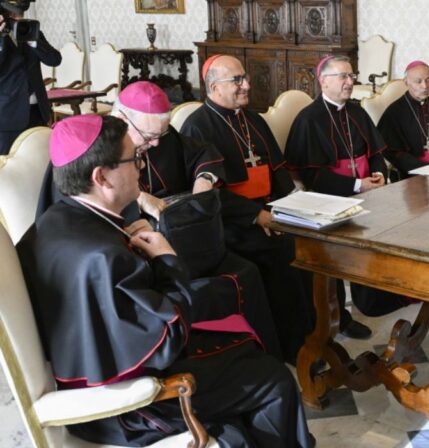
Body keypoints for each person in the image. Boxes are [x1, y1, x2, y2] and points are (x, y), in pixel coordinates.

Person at [17, 114, 314, 447]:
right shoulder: (102, 255)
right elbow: (166, 337)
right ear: (101, 177)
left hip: (99, 370)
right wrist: (167, 260)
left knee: (245, 351)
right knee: (273, 378)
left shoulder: (54, 221)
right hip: (126, 405)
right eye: (134, 159)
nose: (141, 168)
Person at [35, 81, 285, 359]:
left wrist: (205, 178)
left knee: (246, 271)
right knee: (219, 282)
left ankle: (263, 355)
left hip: (175, 238)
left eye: (160, 135)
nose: (155, 145)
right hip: (131, 258)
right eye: (148, 136)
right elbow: (78, 213)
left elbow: (201, 151)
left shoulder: (160, 135)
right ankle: (205, 357)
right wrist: (138, 198)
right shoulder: (85, 150)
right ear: (121, 119)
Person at [179, 56, 315, 357]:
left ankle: (316, 334)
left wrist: (287, 207)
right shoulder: (197, 127)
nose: (247, 85)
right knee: (285, 257)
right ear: (214, 86)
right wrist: (257, 216)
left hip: (270, 210)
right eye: (237, 80)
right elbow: (209, 195)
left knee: (308, 245)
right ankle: (290, 348)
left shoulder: (252, 119)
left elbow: (277, 169)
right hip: (232, 224)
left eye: (245, 78)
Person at [284, 55, 411, 334]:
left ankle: (380, 296)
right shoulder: (309, 119)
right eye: (342, 76)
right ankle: (339, 316)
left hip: (368, 190)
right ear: (323, 81)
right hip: (330, 197)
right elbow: (311, 175)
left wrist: (379, 174)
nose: (349, 82)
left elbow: (376, 153)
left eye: (351, 76)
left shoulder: (356, 112)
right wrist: (357, 186)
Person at [0, 0, 60, 155]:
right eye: (12, 14)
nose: (18, 17)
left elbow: (55, 59)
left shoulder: (32, 32)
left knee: (42, 159)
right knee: (9, 169)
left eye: (20, 13)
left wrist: (33, 42)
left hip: (38, 112)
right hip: (8, 117)